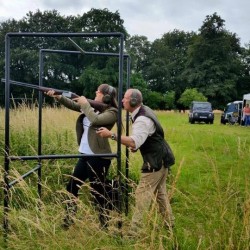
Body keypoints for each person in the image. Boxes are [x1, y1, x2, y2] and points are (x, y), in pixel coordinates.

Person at [97, 88, 175, 235]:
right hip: (162, 158)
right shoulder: (143, 110)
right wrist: (137, 144)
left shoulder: (142, 119)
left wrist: (111, 135)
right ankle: (169, 225)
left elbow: (133, 142)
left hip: (155, 162)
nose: (121, 101)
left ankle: (134, 232)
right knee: (161, 194)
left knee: (141, 195)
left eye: (125, 98)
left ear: (133, 101)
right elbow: (143, 138)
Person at [45, 84, 118, 228]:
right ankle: (69, 219)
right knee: (71, 187)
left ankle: (105, 224)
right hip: (84, 154)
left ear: (106, 96)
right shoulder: (92, 107)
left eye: (98, 91)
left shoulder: (112, 111)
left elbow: (95, 120)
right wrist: (58, 96)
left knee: (98, 193)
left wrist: (85, 104)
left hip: (99, 158)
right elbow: (73, 104)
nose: (95, 92)